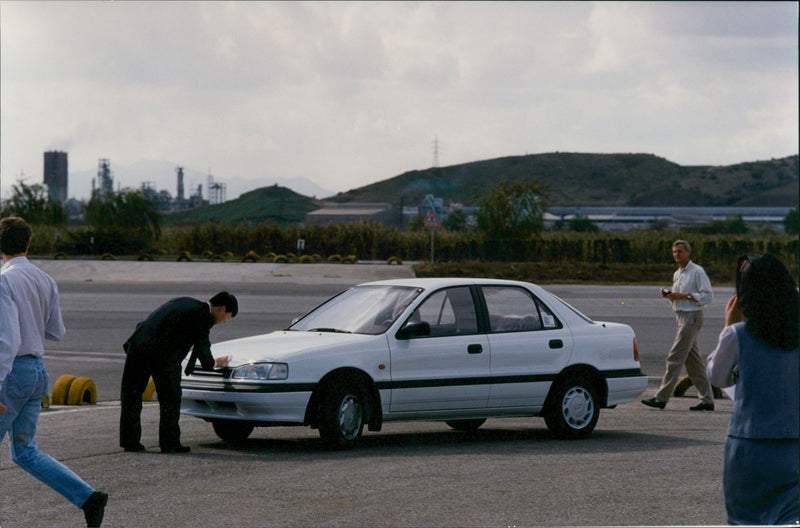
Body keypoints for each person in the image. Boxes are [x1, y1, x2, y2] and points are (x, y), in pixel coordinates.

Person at [0, 216, 108, 527]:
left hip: (12, 374)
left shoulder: (5, 279)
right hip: (37, 371)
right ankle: (88, 497)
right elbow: (56, 330)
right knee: (24, 452)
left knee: (24, 451)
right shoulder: (45, 279)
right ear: (29, 243)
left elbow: (7, 339)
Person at [707, 253, 799, 525]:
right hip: (794, 444)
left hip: (749, 448)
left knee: (745, 520)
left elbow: (717, 377)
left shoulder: (738, 335)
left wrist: (727, 325)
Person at [120, 291, 236, 453]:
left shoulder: (185, 302)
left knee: (131, 396)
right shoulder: (203, 316)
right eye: (228, 317)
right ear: (222, 309)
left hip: (138, 345)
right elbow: (203, 347)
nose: (224, 321)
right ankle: (169, 443)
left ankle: (130, 442)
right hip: (161, 355)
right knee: (170, 399)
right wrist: (215, 363)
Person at [642, 239, 715, 411]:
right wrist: (670, 296)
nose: (677, 255)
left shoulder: (697, 271)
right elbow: (679, 299)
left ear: (689, 253)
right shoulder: (678, 273)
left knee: (674, 358)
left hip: (692, 317)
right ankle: (707, 400)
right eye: (674, 252)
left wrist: (685, 296)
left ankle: (661, 398)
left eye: (680, 251)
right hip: (681, 317)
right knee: (693, 363)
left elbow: (707, 296)